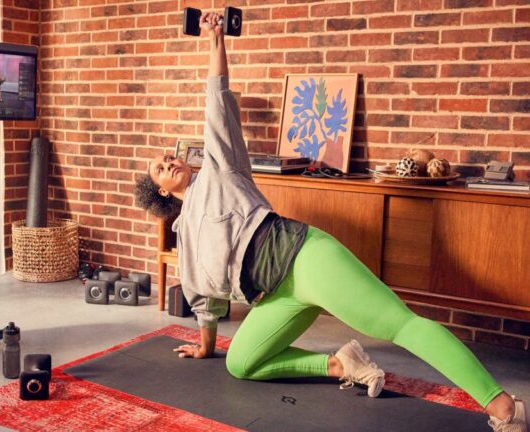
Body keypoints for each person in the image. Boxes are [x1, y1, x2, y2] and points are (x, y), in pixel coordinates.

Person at [133, 11, 527, 432]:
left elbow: (217, 104)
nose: (170, 160)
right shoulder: (185, 237)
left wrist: (215, 42)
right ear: (159, 192)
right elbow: (204, 302)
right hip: (274, 299)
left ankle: (505, 407)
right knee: (241, 362)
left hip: (305, 259)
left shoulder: (219, 168)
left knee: (400, 325)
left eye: (169, 156)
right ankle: (342, 364)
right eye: (161, 166)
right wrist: (204, 347)